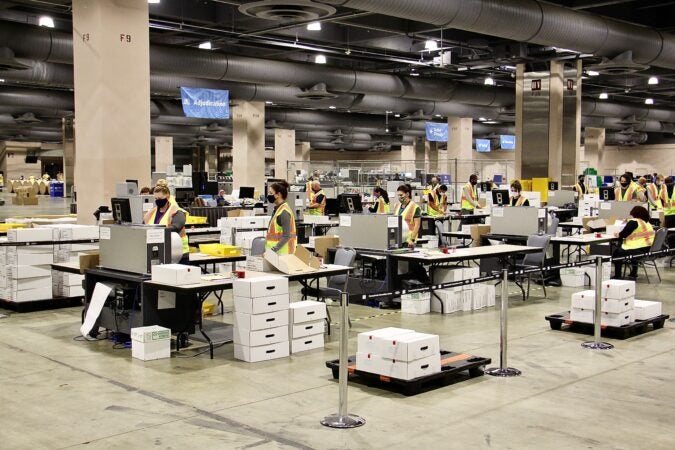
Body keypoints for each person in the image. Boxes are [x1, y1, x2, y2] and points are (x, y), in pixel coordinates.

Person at [143, 185, 189, 264]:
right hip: (158, 253)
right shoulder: (151, 212)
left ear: (167, 197)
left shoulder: (177, 212)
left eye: (160, 199)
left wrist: (156, 231)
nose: (158, 201)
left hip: (178, 253)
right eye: (156, 199)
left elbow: (176, 227)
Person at [612, 205, 654, 279]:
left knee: (617, 253)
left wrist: (617, 234)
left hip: (639, 250)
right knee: (630, 251)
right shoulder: (646, 223)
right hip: (648, 249)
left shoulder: (633, 222)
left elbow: (623, 234)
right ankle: (633, 273)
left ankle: (617, 276)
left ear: (634, 214)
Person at [266, 181, 297, 255]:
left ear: (278, 194)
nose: (269, 195)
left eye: (271, 193)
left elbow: (286, 236)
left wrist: (273, 250)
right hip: (276, 254)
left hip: (283, 254)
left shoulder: (284, 212)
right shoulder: (277, 210)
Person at [395, 184, 421, 248]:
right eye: (398, 195)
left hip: (408, 240)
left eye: (401, 195)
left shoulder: (415, 207)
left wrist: (412, 239)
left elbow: (417, 225)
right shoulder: (397, 206)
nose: (399, 197)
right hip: (398, 238)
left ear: (407, 194)